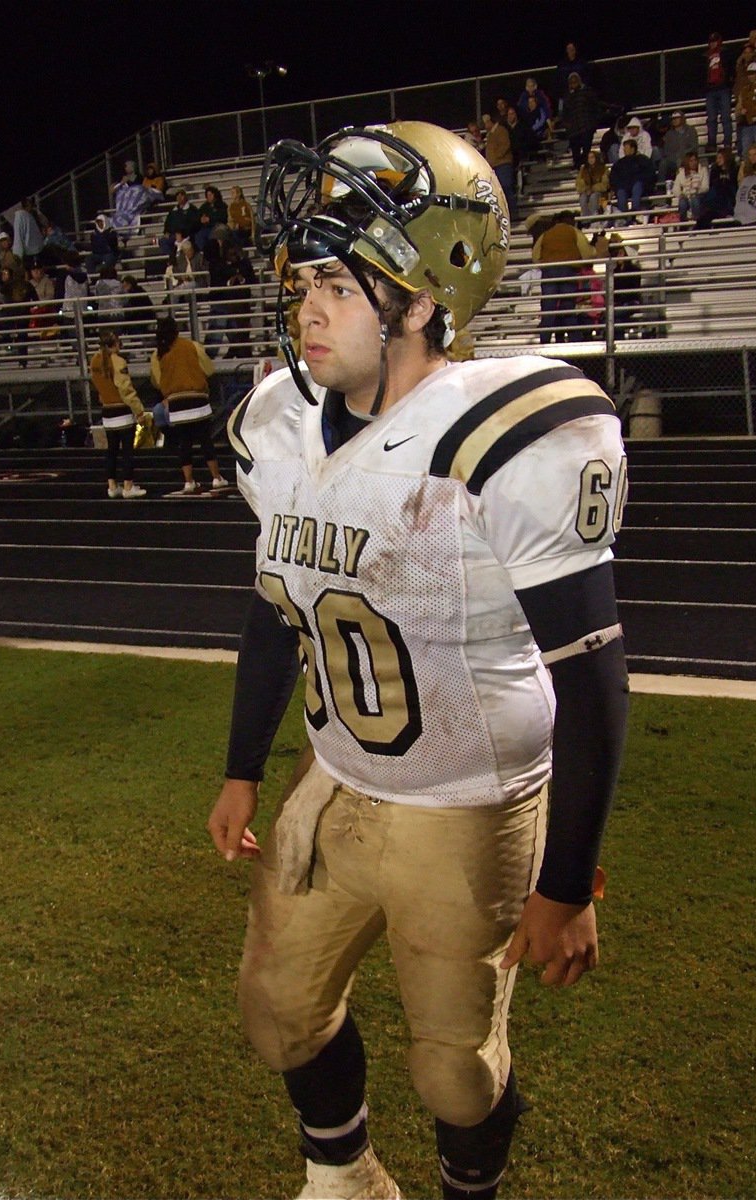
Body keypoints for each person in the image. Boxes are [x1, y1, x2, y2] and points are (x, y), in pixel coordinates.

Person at [208, 120, 628, 1200]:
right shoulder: (280, 426)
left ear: (425, 294)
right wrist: (242, 767)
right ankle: (344, 1175)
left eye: (340, 287)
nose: (307, 308)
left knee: (455, 1074)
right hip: (337, 779)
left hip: (468, 800)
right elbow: (275, 615)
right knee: (277, 1011)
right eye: (304, 283)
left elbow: (588, 677)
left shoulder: (505, 434)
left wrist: (567, 881)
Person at [150, 316, 227, 495]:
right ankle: (216, 477)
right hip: (196, 398)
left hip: (176, 402)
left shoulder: (158, 353)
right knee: (205, 439)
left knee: (184, 443)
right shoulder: (191, 346)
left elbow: (157, 381)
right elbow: (209, 369)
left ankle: (188, 481)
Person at [89, 329, 147, 498]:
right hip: (121, 411)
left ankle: (112, 486)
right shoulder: (118, 361)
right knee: (127, 451)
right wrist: (139, 411)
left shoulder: (94, 360)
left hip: (107, 411)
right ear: (114, 344)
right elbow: (126, 390)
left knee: (112, 450)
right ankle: (128, 485)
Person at [532, 210, 596, 342]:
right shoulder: (574, 232)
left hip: (549, 272)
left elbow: (535, 256)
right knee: (568, 307)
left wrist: (546, 264)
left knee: (548, 309)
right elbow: (588, 253)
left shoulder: (546, 234)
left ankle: (544, 341)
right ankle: (575, 340)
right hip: (568, 270)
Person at [561, 72, 603, 169]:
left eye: (575, 82)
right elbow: (564, 113)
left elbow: (596, 106)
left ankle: (586, 165)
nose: (573, 84)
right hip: (573, 129)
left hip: (587, 126)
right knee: (575, 150)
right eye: (571, 82)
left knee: (586, 148)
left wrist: (593, 123)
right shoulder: (567, 96)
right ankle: (577, 166)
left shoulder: (588, 92)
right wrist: (567, 125)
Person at [609, 138, 655, 222]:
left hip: (640, 186)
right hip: (624, 186)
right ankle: (623, 217)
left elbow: (649, 175)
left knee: (637, 186)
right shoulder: (619, 163)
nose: (624, 151)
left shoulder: (643, 160)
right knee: (620, 191)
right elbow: (614, 177)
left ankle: (635, 212)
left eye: (626, 148)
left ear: (632, 149)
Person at [481, 112, 516, 220]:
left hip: (503, 164)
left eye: (486, 123)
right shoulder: (490, 134)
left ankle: (512, 213)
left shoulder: (501, 130)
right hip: (495, 165)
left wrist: (496, 157)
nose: (485, 126)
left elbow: (505, 145)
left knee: (506, 187)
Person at [704, 32, 734, 152]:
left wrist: (728, 82)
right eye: (711, 41)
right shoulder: (706, 55)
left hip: (723, 88)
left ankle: (728, 141)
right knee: (711, 118)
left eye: (715, 41)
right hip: (710, 90)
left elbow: (731, 68)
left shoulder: (725, 53)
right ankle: (712, 142)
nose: (713, 43)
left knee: (725, 116)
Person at [696, 148, 740, 227]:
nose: (717, 160)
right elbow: (712, 185)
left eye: (720, 158)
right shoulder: (714, 170)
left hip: (729, 196)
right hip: (716, 197)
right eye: (717, 158)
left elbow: (735, 185)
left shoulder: (735, 169)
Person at [657, 111, 699, 184]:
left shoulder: (691, 130)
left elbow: (694, 146)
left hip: (688, 158)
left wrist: (683, 155)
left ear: (682, 119)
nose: (674, 120)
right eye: (673, 119)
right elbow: (667, 151)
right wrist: (676, 158)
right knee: (663, 163)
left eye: (677, 118)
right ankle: (661, 187)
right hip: (673, 160)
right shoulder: (669, 134)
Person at [671, 151, 710, 222]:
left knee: (695, 199)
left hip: (698, 196)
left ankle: (697, 221)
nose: (694, 163)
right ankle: (683, 224)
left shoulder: (703, 170)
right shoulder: (681, 173)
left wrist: (697, 191)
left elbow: (706, 186)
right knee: (682, 202)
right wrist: (680, 194)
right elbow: (675, 188)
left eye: (695, 160)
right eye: (691, 161)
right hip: (686, 196)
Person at [575, 149, 609, 217]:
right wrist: (586, 188)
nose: (590, 159)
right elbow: (578, 184)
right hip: (586, 191)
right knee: (583, 198)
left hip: (600, 192)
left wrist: (593, 189)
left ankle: (594, 217)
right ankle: (586, 219)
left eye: (592, 157)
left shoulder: (603, 168)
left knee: (593, 197)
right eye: (589, 158)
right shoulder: (583, 169)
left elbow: (605, 185)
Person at [195, 185, 228, 252]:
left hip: (217, 227)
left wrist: (210, 219)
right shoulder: (204, 206)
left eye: (210, 195)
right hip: (206, 228)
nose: (209, 197)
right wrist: (201, 220)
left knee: (214, 236)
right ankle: (204, 254)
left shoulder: (221, 205)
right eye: (207, 195)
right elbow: (198, 217)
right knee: (199, 236)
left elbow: (223, 217)